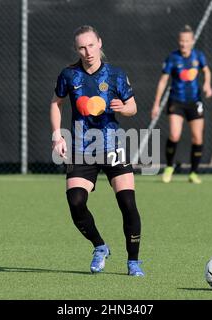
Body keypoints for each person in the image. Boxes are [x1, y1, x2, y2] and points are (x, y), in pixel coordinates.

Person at [50, 25, 144, 276]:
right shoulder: (69, 75)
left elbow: (132, 107)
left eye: (91, 45)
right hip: (82, 148)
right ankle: (100, 247)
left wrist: (121, 109)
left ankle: (133, 262)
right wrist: (57, 135)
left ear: (99, 43)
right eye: (82, 47)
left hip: (113, 147)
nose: (87, 51)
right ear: (77, 49)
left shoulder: (115, 74)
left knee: (127, 202)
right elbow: (56, 103)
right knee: (76, 202)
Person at [151, 25, 212, 184]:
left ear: (192, 41)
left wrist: (207, 85)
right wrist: (156, 104)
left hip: (194, 102)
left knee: (197, 138)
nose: (184, 44)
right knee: (174, 135)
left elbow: (206, 71)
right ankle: (169, 167)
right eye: (181, 41)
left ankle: (193, 172)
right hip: (176, 101)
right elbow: (163, 80)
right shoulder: (172, 58)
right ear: (178, 41)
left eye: (187, 41)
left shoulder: (198, 56)